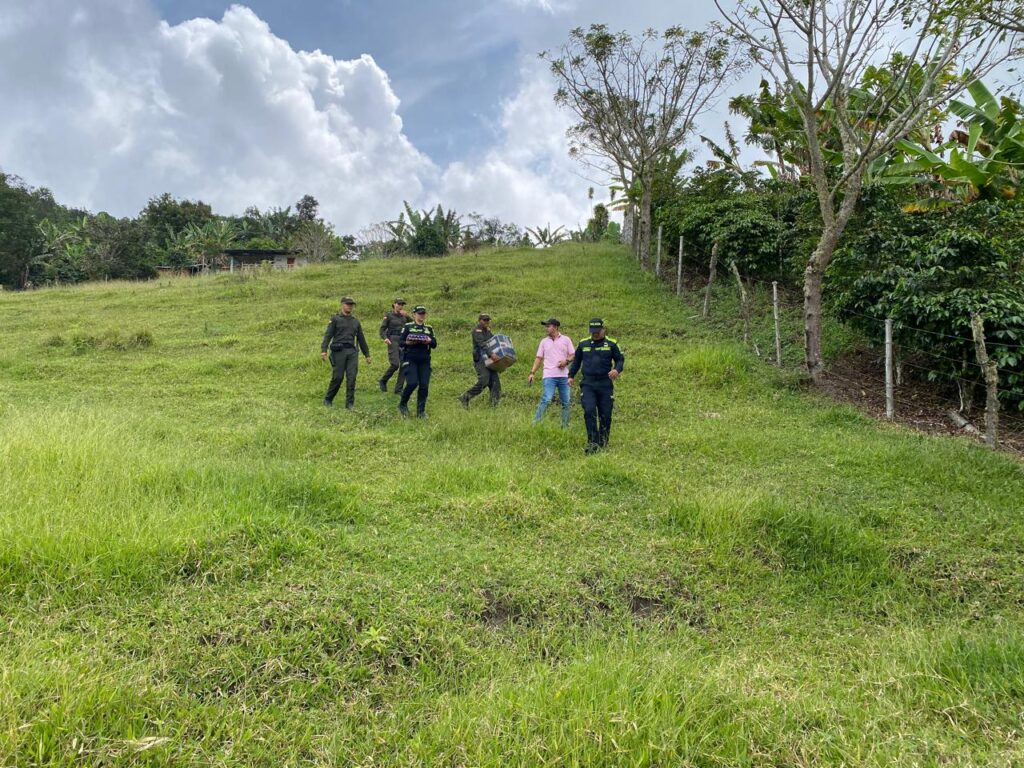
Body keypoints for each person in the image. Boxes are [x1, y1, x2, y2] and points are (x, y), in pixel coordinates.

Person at [568, 318, 624, 454]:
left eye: (598, 331)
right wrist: (571, 375)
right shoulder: (583, 344)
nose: (595, 334)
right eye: (593, 332)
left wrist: (617, 369)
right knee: (589, 411)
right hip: (588, 384)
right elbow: (577, 361)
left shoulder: (612, 343)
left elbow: (620, 359)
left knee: (605, 414)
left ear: (603, 329)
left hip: (605, 383)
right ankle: (593, 442)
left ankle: (603, 442)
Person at [320, 296, 371, 409]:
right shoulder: (335, 319)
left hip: (352, 352)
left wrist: (367, 354)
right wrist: (323, 350)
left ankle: (349, 404)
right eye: (347, 304)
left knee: (352, 378)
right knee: (338, 377)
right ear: (342, 304)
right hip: (339, 351)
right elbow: (328, 335)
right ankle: (328, 399)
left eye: (351, 304)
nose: (349, 306)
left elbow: (361, 339)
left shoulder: (355, 321)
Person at [528, 318, 574, 427]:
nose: (546, 328)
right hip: (549, 375)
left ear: (555, 327)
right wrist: (532, 372)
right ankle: (535, 423)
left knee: (566, 402)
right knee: (547, 399)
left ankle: (565, 426)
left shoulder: (566, 339)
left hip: (564, 376)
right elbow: (539, 358)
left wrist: (566, 361)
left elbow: (573, 354)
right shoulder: (544, 341)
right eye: (546, 326)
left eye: (548, 326)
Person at [398, 305, 437, 418]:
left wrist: (429, 340)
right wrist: (408, 343)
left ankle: (421, 412)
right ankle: (403, 404)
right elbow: (400, 341)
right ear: (414, 314)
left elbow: (435, 344)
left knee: (424, 385)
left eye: (423, 313)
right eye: (419, 313)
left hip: (424, 359)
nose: (422, 315)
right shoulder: (408, 326)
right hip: (410, 357)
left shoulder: (429, 328)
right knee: (412, 383)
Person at [459, 313, 502, 408]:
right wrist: (492, 354)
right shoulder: (477, 331)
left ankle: (494, 407)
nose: (486, 322)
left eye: (488, 320)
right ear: (480, 320)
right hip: (481, 360)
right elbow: (481, 344)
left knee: (495, 384)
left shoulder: (488, 330)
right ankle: (465, 397)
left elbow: (493, 342)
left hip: (490, 360)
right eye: (484, 320)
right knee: (484, 380)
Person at [378, 298, 408, 393]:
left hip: (403, 340)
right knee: (395, 364)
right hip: (393, 340)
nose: (400, 306)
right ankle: (383, 380)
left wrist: (407, 315)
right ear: (394, 304)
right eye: (399, 304)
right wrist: (385, 338)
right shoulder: (389, 315)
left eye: (402, 304)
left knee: (404, 365)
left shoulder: (404, 316)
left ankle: (398, 389)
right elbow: (382, 329)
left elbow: (414, 323)